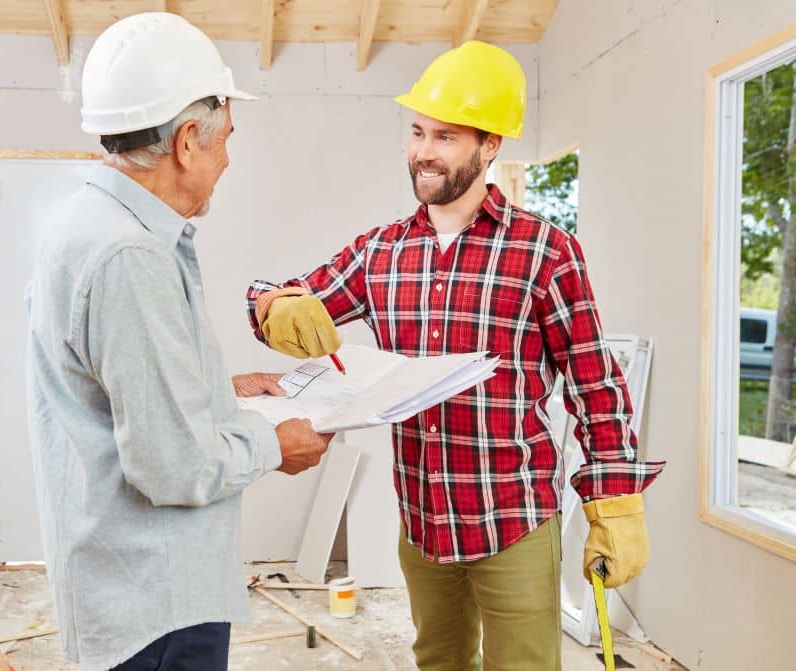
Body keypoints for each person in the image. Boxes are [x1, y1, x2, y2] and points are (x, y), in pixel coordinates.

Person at [246, 41, 665, 671]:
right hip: (421, 520)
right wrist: (273, 305)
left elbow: (595, 386)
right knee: (438, 663)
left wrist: (616, 505)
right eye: (417, 132)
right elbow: (294, 298)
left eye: (444, 136)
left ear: (490, 145)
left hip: (514, 520)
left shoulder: (545, 252)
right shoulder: (380, 251)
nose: (422, 151)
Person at [24, 13, 333, 671]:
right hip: (154, 603)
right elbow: (170, 465)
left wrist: (220, 390)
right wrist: (275, 443)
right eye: (225, 141)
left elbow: (116, 394)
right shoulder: (129, 255)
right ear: (188, 141)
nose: (228, 161)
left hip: (130, 589)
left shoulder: (87, 221)